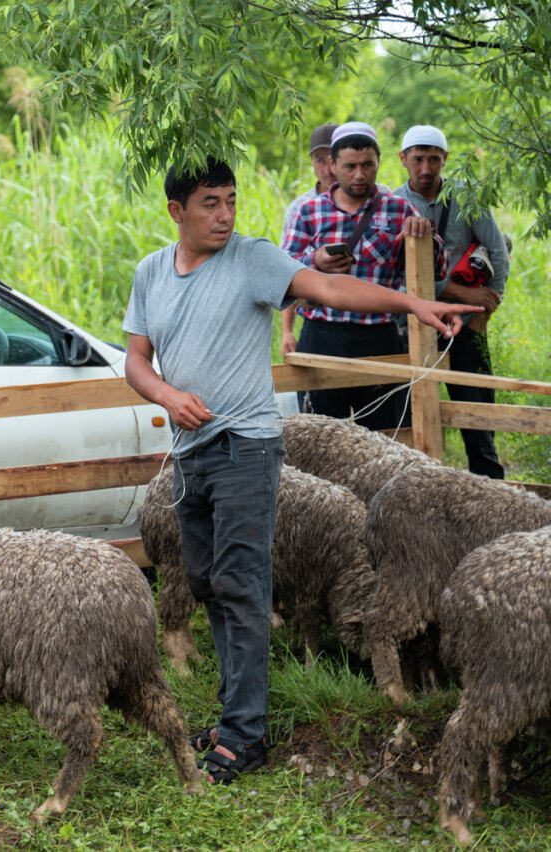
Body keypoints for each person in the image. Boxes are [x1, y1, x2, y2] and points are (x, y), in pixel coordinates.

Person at [122, 156, 460, 785]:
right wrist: (168, 396)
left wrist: (414, 302)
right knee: (204, 582)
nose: (225, 214)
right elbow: (136, 360)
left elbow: (329, 289)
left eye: (230, 200)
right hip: (191, 452)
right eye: (209, 204)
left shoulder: (252, 258)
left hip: (247, 447)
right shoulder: (151, 274)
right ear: (177, 212)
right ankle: (234, 715)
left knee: (241, 584)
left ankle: (246, 734)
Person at [281, 121, 446, 430]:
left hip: (379, 338)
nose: (359, 175)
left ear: (379, 163)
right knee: (320, 438)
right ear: (333, 165)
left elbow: (438, 270)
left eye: (368, 165)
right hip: (320, 337)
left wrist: (426, 237)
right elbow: (283, 274)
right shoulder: (309, 212)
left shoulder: (401, 211)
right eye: (350, 166)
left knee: (384, 439)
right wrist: (314, 259)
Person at [393, 125, 509, 479]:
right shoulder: (393, 203)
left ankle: (492, 494)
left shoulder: (466, 198)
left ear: (445, 159)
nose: (425, 168)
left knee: (477, 414)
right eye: (417, 159)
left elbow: (499, 256)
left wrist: (485, 309)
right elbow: (396, 274)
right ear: (403, 160)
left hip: (467, 323)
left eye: (433, 159)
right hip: (412, 324)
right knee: (414, 417)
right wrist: (458, 292)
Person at [278, 123, 336, 358]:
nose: (327, 169)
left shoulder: (381, 199)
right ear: (312, 161)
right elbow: (287, 269)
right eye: (320, 160)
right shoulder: (299, 208)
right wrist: (286, 331)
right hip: (316, 318)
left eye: (333, 159)